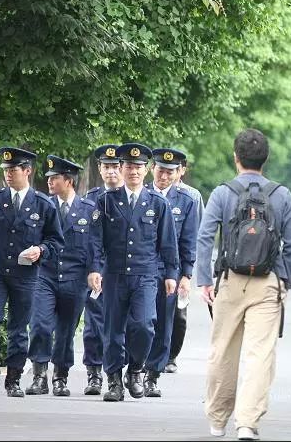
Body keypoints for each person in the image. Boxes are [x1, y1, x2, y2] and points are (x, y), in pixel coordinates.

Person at [196, 129, 291, 440]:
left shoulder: (222, 193)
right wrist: (285, 280)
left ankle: (217, 420)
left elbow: (204, 237)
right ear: (265, 159)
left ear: (235, 158)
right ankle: (247, 423)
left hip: (229, 281)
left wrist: (204, 279)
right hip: (267, 283)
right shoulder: (281, 195)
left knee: (222, 351)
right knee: (259, 354)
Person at [0, 146, 64, 398]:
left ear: (28, 171)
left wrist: (41, 250)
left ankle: (13, 378)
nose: (8, 174)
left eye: (14, 170)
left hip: (26, 275)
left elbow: (56, 241)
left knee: (18, 329)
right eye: (6, 170)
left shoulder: (43, 204)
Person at [87, 143, 179, 402]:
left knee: (144, 325)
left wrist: (171, 273)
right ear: (121, 168)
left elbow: (168, 242)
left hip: (146, 274)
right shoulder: (106, 201)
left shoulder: (158, 203)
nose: (133, 171)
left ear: (147, 169)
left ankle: (135, 369)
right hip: (114, 274)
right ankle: (114, 380)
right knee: (113, 329)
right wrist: (94, 268)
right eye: (128, 166)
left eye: (139, 167)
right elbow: (95, 239)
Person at [25, 156, 95, 396]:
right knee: (40, 325)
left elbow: (95, 246)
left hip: (75, 279)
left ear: (69, 181)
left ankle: (60, 377)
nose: (49, 182)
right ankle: (39, 375)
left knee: (66, 331)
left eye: (54, 178)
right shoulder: (43, 207)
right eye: (48, 178)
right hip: (45, 275)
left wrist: (94, 272)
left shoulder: (89, 210)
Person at [134, 148, 198, 397]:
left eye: (170, 171)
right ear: (152, 169)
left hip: (170, 272)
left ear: (177, 173)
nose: (164, 175)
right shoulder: (142, 194)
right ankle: (135, 367)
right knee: (141, 322)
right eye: (160, 169)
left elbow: (188, 241)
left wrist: (186, 276)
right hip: (142, 269)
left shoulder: (186, 200)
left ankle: (153, 374)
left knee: (164, 324)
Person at [80, 144, 123, 395]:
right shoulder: (92, 199)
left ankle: (117, 372)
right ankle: (94, 373)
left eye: (116, 166)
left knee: (121, 324)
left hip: (122, 271)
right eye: (107, 167)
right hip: (96, 268)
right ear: (100, 168)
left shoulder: (132, 197)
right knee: (94, 324)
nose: (111, 172)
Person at [165, 156, 205, 374]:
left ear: (182, 171)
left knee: (178, 314)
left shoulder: (192, 196)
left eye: (175, 169)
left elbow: (198, 233)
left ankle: (171, 356)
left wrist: (190, 272)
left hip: (182, 265)